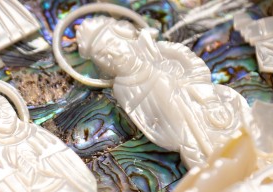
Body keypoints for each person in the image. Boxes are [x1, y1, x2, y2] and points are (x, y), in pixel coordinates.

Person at [77, 16, 252, 169]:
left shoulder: (160, 51)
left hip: (209, 109)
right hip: (183, 135)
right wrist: (177, 137)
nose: (113, 55)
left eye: (114, 44)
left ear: (127, 38)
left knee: (241, 136)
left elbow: (195, 68)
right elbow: (145, 122)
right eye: (102, 55)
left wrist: (209, 100)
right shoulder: (122, 89)